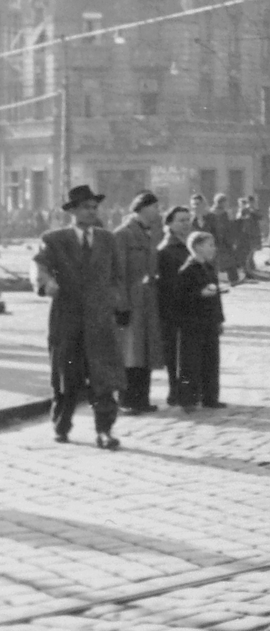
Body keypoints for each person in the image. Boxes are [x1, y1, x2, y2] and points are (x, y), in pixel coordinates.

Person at [35, 185, 128, 449]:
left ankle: (104, 431)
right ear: (72, 211)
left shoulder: (108, 240)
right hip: (67, 319)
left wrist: (116, 305)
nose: (91, 211)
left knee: (103, 378)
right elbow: (39, 266)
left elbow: (117, 277)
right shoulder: (54, 239)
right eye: (85, 207)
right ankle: (62, 424)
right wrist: (47, 283)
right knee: (66, 377)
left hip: (100, 321)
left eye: (94, 207)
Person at [114, 191, 165, 415]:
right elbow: (118, 274)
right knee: (130, 353)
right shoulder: (123, 235)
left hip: (149, 301)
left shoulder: (151, 234)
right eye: (154, 207)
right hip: (131, 303)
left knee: (146, 352)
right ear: (141, 208)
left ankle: (142, 399)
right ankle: (126, 400)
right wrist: (121, 305)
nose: (157, 211)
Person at [174, 230, 227, 408]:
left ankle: (210, 397)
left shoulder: (209, 268)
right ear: (197, 247)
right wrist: (199, 294)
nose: (214, 248)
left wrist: (220, 319)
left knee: (211, 361)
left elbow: (216, 297)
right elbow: (180, 297)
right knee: (191, 362)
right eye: (210, 245)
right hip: (193, 322)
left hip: (209, 321)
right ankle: (189, 398)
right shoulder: (187, 269)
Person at [155, 206, 193, 407]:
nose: (186, 223)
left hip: (189, 305)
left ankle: (185, 389)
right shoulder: (166, 249)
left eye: (188, 219)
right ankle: (174, 389)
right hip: (173, 306)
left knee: (186, 350)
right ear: (168, 223)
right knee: (173, 351)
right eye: (181, 220)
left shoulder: (189, 244)